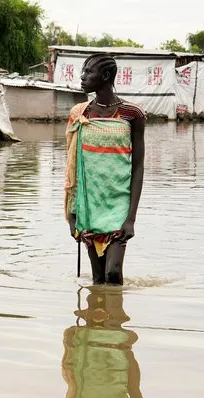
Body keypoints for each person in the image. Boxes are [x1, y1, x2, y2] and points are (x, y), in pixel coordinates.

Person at [64, 53, 146, 285]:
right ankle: (98, 319)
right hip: (89, 203)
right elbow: (72, 165)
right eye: (83, 71)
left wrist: (131, 218)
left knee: (112, 272)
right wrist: (73, 215)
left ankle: (116, 320)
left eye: (89, 72)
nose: (82, 77)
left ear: (106, 75)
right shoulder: (80, 114)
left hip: (119, 202)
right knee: (98, 278)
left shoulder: (132, 114)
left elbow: (138, 168)